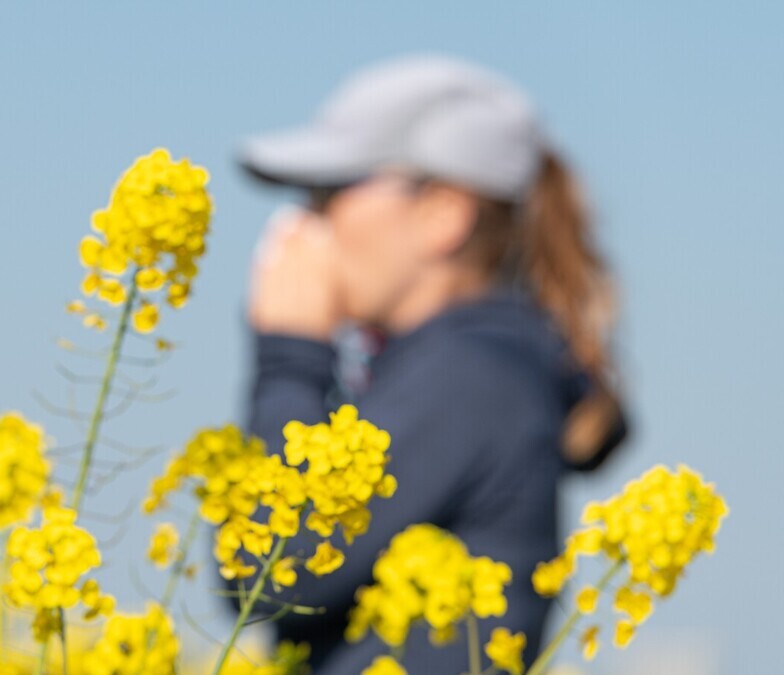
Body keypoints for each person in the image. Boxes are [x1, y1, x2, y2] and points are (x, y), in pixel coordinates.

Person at [236, 54, 629, 673]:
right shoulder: (462, 365)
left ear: (442, 214)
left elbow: (265, 574)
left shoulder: (472, 377)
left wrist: (290, 357)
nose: (301, 223)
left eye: (329, 193)